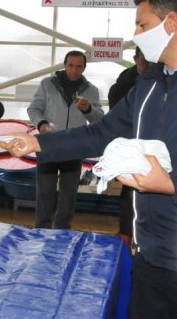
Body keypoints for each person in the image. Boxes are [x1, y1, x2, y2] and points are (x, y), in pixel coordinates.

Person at [0, 0, 177, 319]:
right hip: (149, 255)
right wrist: (38, 142)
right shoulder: (149, 84)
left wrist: (172, 184)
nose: (136, 33)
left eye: (142, 25)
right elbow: (103, 133)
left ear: (172, 23)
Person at [27, 50, 104, 229]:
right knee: (45, 194)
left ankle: (62, 233)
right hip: (48, 145)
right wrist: (42, 124)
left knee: (68, 197)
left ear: (84, 68)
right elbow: (33, 109)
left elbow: (99, 119)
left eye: (79, 67)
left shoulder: (91, 91)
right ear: (64, 65)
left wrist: (88, 109)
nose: (74, 70)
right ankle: (42, 231)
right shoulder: (47, 84)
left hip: (74, 147)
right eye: (70, 65)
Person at [107, 46, 149, 248]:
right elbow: (115, 113)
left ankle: (140, 236)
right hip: (130, 145)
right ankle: (126, 233)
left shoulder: (163, 78)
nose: (147, 62)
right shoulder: (126, 81)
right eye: (143, 58)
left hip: (153, 149)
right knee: (129, 191)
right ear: (135, 58)